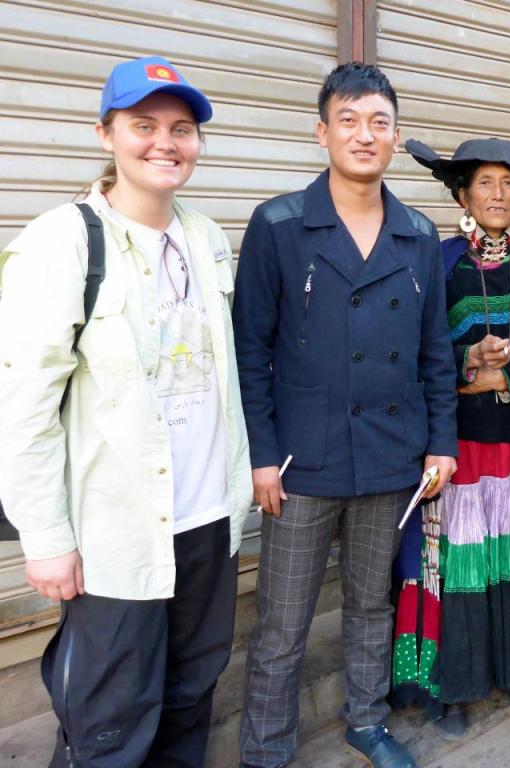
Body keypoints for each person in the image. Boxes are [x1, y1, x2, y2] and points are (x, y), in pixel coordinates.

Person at [0, 56, 252, 766]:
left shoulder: (205, 238)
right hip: (117, 534)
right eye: (143, 125)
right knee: (108, 721)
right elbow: (23, 404)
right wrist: (45, 537)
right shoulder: (62, 241)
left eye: (181, 129)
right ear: (105, 134)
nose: (164, 143)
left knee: (189, 698)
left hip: (208, 521)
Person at [232, 63, 458, 768]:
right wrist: (262, 456)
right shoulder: (279, 225)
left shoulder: (417, 233)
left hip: (391, 453)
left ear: (396, 136)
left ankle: (366, 719)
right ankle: (265, 748)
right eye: (351, 120)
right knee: (282, 620)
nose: (366, 135)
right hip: (304, 461)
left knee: (371, 605)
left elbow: (435, 352)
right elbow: (250, 352)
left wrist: (440, 443)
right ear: (322, 130)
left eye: (380, 122)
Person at [390, 138, 510, 737]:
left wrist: (504, 377)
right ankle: (455, 688)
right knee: (457, 566)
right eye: (485, 182)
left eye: (509, 183)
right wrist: (466, 362)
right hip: (458, 447)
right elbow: (414, 353)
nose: (498, 194)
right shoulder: (437, 264)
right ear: (462, 193)